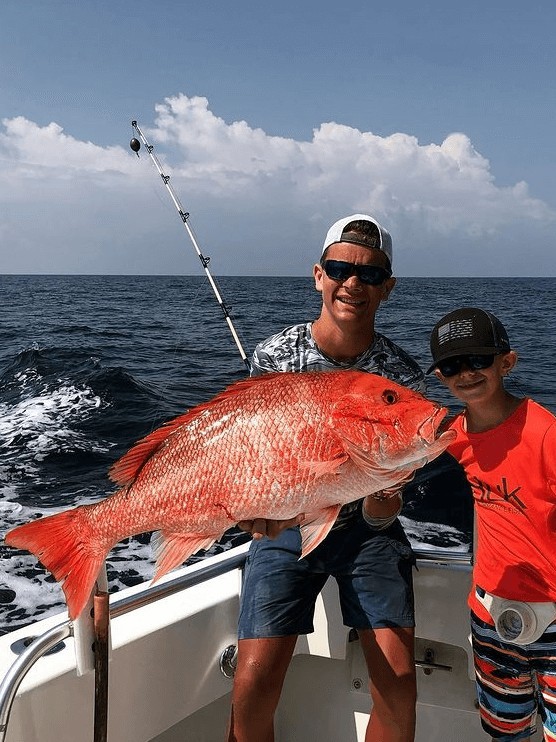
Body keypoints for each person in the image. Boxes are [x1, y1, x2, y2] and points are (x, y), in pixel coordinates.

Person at [226, 214, 425, 742]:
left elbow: (386, 511)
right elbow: (250, 459)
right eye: (340, 268)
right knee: (251, 684)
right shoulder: (273, 358)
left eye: (370, 274)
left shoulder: (400, 377)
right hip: (288, 526)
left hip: (366, 533)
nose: (353, 283)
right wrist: (258, 510)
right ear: (319, 274)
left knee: (400, 683)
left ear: (388, 287)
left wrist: (383, 506)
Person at [428, 307, 556, 742]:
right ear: (440, 377)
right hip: (489, 616)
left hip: (555, 618)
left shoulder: (545, 434)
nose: (465, 373)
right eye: (450, 366)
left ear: (507, 362)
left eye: (478, 360)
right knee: (507, 732)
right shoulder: (453, 437)